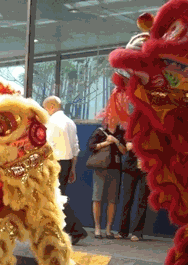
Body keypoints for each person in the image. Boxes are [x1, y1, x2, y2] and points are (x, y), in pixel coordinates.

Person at [42, 96, 87, 244]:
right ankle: (65, 230)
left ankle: (76, 230)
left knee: (55, 198)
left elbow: (47, 147)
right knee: (58, 197)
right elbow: (75, 148)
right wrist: (73, 169)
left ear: (52, 106)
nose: (45, 112)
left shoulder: (51, 122)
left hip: (55, 163)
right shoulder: (70, 122)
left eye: (45, 108)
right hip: (67, 164)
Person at [87, 122, 126, 239]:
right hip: (101, 168)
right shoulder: (99, 131)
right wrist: (106, 142)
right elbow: (91, 147)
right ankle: (97, 228)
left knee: (112, 200)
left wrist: (116, 141)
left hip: (116, 168)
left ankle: (108, 229)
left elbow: (124, 151)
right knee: (97, 198)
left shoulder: (121, 132)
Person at [115, 139, 151, 241]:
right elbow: (126, 145)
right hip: (130, 167)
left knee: (142, 200)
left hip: (146, 167)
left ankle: (137, 233)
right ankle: (123, 232)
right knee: (127, 199)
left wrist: (136, 145)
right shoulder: (131, 128)